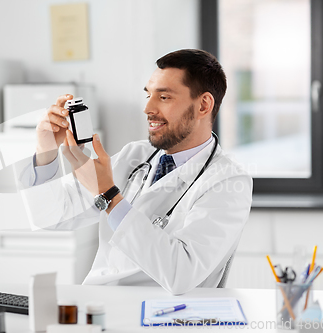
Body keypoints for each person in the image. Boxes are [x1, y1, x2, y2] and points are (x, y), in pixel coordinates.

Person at [19, 49, 253, 295]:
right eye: (148, 95)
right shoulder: (136, 156)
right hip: (101, 302)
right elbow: (49, 217)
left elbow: (181, 273)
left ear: (204, 105)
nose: (148, 108)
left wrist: (109, 196)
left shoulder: (228, 181)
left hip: (166, 316)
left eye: (164, 97)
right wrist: (45, 150)